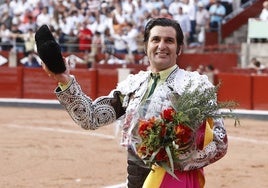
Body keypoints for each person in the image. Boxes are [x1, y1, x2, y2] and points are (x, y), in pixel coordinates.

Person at [42, 18, 228, 188]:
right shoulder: (132, 86)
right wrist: (65, 81)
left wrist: (173, 159)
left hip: (174, 180)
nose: (161, 46)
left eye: (169, 41)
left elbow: (219, 142)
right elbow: (91, 118)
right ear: (146, 45)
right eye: (155, 39)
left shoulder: (195, 85)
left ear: (179, 48)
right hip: (136, 179)